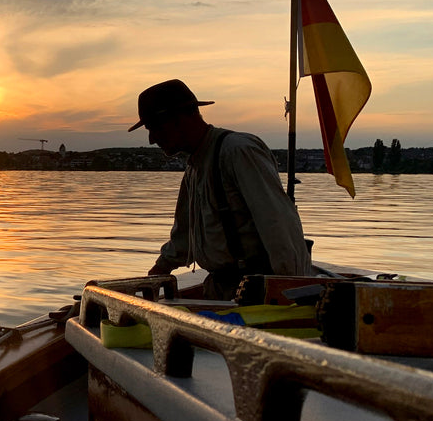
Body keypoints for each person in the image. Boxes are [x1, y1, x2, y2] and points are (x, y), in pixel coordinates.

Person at [130, 79, 313, 300]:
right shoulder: (193, 170)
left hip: (255, 293)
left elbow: (279, 226)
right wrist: (157, 273)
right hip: (220, 289)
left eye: (154, 128)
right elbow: (183, 238)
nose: (151, 140)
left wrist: (291, 292)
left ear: (178, 119)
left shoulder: (237, 151)